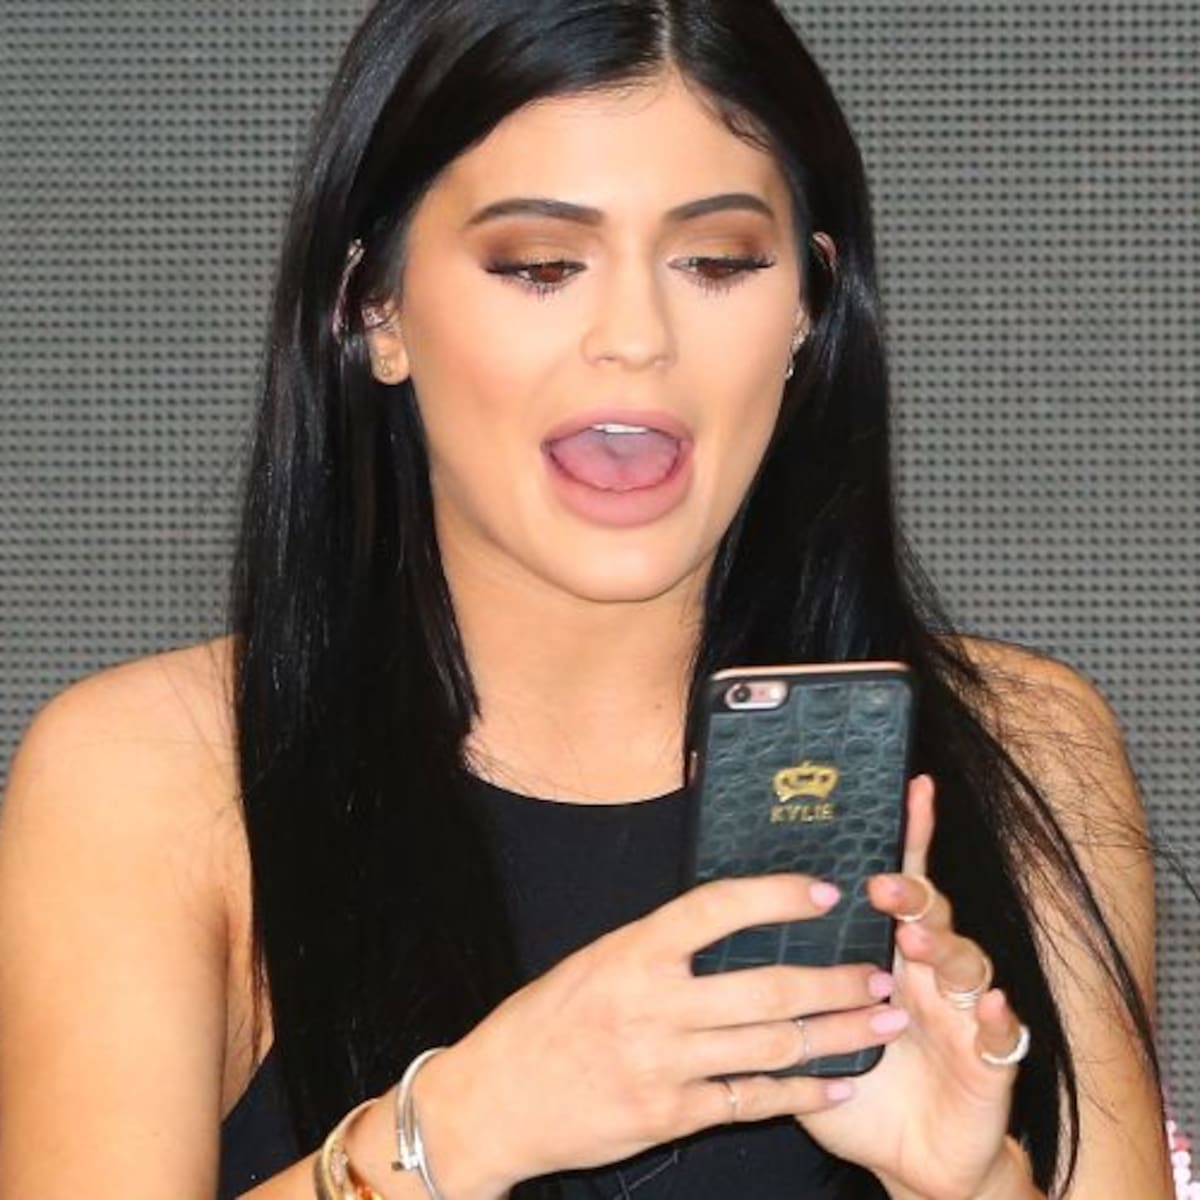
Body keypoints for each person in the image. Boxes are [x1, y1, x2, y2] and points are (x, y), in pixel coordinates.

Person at [0, 1, 1176, 1197]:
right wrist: (468, 1125)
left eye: (717, 263)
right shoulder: (156, 778)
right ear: (374, 306)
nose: (635, 337)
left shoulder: (1030, 751)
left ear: (809, 310)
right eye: (539, 266)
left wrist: (972, 1183)